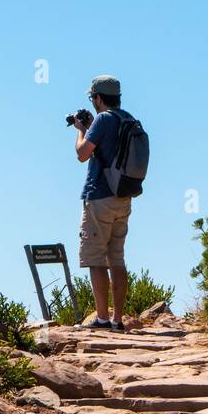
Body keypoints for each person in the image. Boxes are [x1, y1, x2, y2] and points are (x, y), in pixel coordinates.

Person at [73, 74, 134, 330]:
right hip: (124, 196)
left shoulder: (103, 119)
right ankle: (118, 320)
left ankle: (101, 318)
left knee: (96, 258)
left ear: (98, 98)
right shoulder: (128, 120)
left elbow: (82, 154)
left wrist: (80, 131)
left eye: (92, 97)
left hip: (99, 196)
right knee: (116, 258)